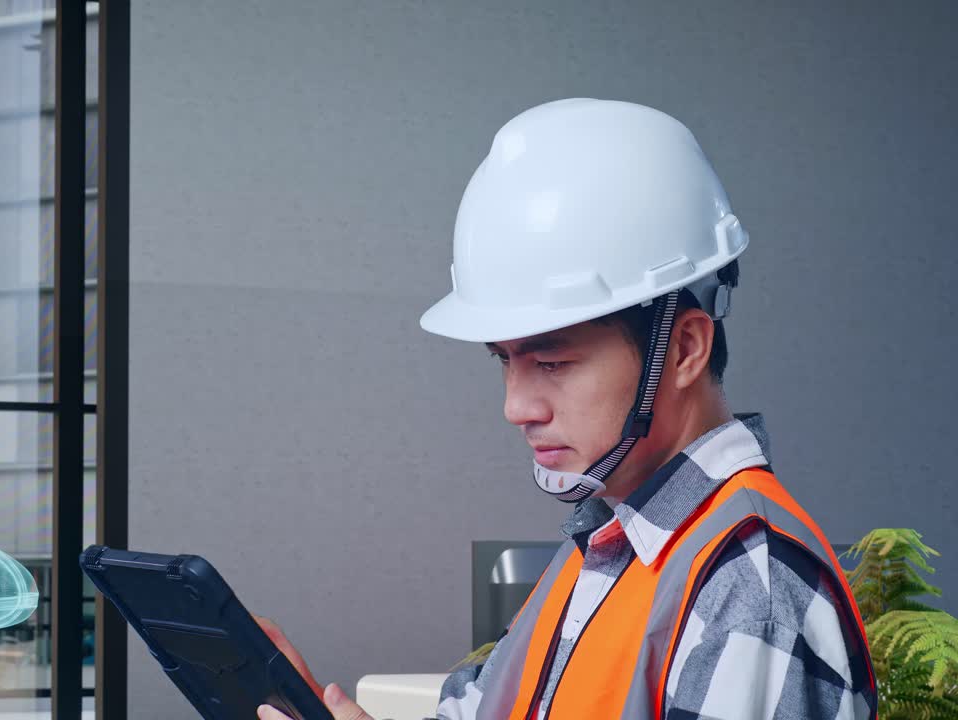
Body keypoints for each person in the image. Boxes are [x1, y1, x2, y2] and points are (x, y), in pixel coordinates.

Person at [255, 99, 876, 720]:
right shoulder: (607, 540)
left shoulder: (748, 586)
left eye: (552, 363)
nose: (515, 407)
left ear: (684, 348)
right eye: (504, 360)